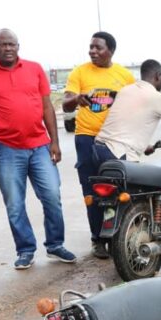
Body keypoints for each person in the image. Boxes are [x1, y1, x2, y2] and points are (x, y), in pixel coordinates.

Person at [0, 29, 75, 270]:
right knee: (15, 204)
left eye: (12, 44)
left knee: (52, 196)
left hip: (40, 146)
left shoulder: (34, 69)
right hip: (8, 149)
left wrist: (55, 141)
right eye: (3, 45)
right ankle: (25, 250)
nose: (8, 48)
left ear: (18, 46)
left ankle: (55, 244)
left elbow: (47, 107)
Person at [63, 31, 134, 259]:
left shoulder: (124, 76)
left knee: (118, 190)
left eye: (98, 47)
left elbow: (136, 106)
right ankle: (97, 239)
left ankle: (115, 235)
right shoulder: (80, 72)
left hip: (115, 140)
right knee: (92, 191)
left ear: (110, 51)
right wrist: (76, 99)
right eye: (91, 47)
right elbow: (65, 104)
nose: (92, 51)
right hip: (86, 139)